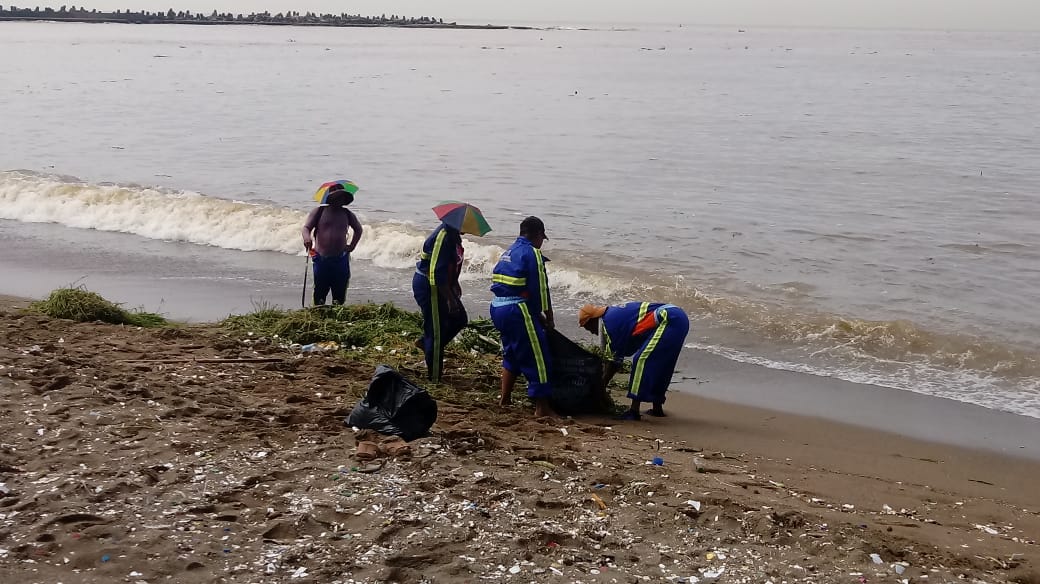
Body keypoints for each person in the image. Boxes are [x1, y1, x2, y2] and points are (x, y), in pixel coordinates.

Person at [578, 302, 690, 420]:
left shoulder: (609, 326)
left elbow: (614, 363)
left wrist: (601, 386)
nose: (590, 332)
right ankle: (657, 408)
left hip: (668, 318)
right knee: (661, 365)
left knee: (641, 360)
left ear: (593, 320)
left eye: (588, 327)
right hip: (679, 318)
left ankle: (634, 411)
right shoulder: (611, 315)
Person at [490, 216, 555, 417]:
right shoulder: (532, 253)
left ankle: (505, 399)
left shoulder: (508, 252)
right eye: (542, 238)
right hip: (516, 310)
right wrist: (549, 317)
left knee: (512, 353)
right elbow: (541, 289)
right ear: (537, 235)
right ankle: (542, 408)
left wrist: (534, 314)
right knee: (539, 357)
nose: (541, 242)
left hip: (497, 308)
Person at [412, 221, 467, 382]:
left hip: (443, 285)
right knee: (436, 333)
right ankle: (434, 379)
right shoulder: (443, 237)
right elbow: (436, 272)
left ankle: (426, 343)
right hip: (431, 287)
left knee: (460, 319)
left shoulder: (453, 236)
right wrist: (450, 299)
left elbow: (451, 263)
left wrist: (455, 282)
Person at [301, 184, 363, 306]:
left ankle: (337, 311)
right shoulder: (319, 211)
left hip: (340, 258)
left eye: (342, 198)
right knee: (320, 290)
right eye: (337, 197)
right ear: (330, 199)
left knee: (339, 291)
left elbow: (358, 229)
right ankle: (319, 310)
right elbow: (306, 227)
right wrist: (307, 238)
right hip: (321, 258)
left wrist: (352, 246)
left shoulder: (347, 214)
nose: (340, 200)